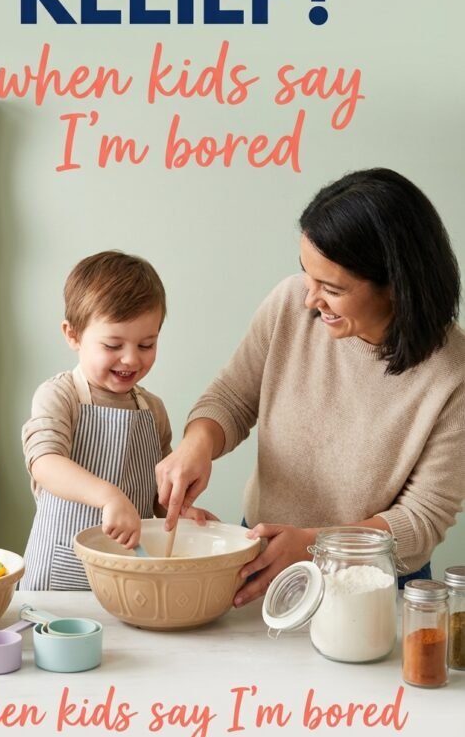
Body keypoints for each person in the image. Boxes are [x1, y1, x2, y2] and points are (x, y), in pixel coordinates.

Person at [156, 168, 465, 606]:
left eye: (331, 288)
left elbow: (421, 521)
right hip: (265, 556)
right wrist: (196, 445)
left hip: (373, 582)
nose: (309, 300)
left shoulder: (454, 373)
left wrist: (313, 544)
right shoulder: (289, 305)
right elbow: (232, 397)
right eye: (307, 274)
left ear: (396, 287)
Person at [21, 250, 177, 590]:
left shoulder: (152, 410)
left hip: (126, 573)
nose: (131, 358)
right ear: (73, 335)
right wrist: (110, 497)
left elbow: (157, 493)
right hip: (59, 577)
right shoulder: (60, 396)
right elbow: (45, 464)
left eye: (146, 344)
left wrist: (180, 511)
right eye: (113, 344)